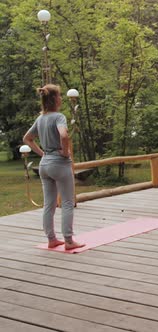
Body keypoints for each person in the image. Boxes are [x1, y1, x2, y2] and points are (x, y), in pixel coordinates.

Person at [23, 84, 85, 250]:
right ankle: (69, 241)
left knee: (49, 204)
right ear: (54, 99)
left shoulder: (40, 119)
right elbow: (64, 135)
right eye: (59, 96)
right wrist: (65, 153)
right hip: (60, 164)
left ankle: (51, 239)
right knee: (67, 202)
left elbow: (27, 138)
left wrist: (42, 153)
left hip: (45, 165)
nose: (61, 99)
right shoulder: (59, 117)